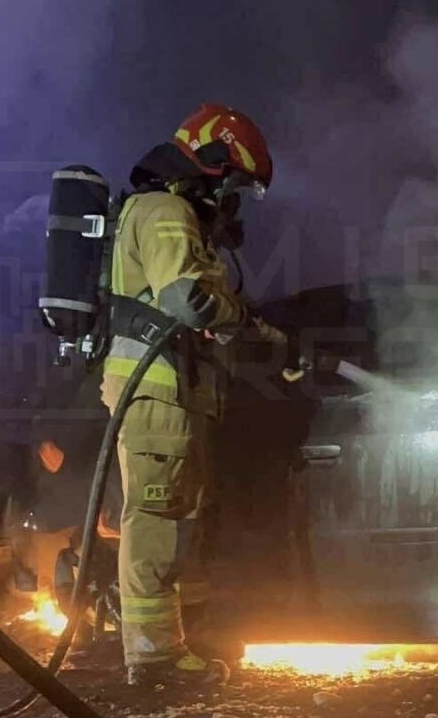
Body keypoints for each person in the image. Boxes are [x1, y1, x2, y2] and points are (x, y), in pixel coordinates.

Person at [102, 104, 287, 687]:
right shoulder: (164, 211)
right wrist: (242, 320)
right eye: (235, 185)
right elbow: (189, 300)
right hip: (157, 393)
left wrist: (261, 338)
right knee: (156, 518)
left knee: (178, 518)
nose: (233, 202)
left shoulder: (181, 217)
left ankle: (171, 642)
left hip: (178, 395)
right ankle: (152, 660)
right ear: (212, 165)